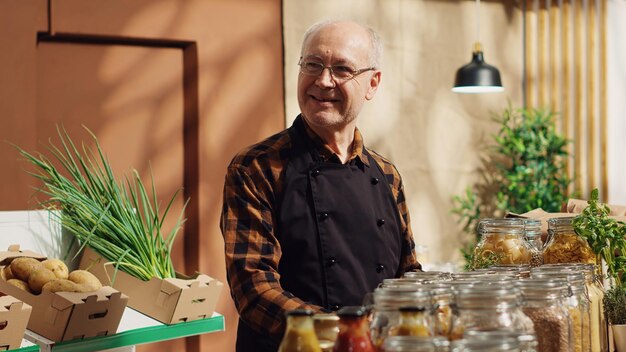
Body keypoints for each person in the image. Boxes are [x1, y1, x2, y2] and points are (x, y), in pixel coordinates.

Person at [220, 19, 421, 352]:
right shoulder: (256, 167)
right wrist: (346, 332)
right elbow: (253, 288)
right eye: (312, 64)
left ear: (372, 83)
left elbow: (409, 273)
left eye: (342, 69)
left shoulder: (387, 174)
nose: (323, 81)